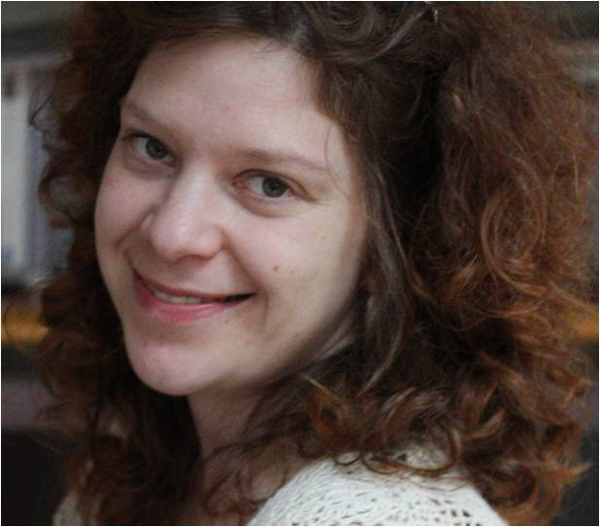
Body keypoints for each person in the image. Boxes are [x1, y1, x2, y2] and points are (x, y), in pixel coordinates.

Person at [35, 2, 595, 525]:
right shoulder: (137, 475)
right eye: (152, 147)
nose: (171, 234)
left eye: (270, 184)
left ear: (399, 242)